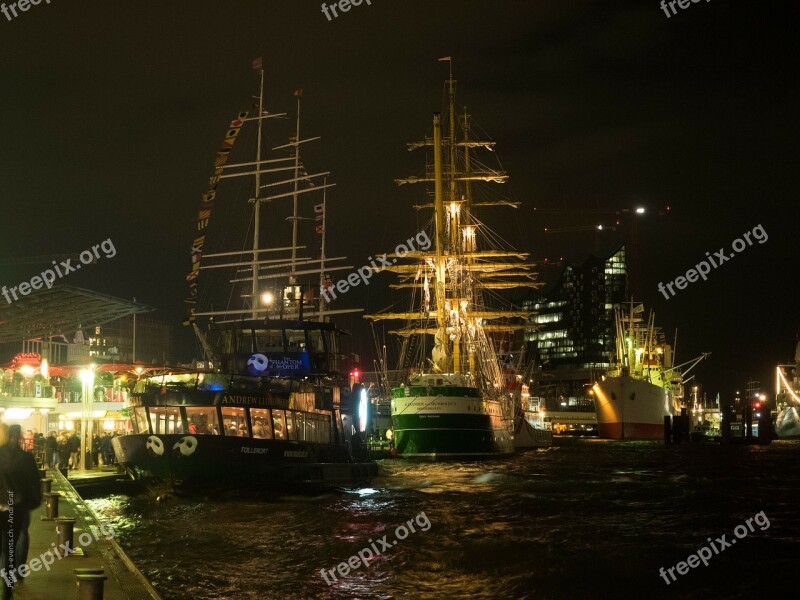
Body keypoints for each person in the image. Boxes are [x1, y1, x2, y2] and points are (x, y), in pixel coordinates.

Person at [0, 423, 43, 598]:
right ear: (19, 437)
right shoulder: (26, 458)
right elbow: (35, 482)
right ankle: (7, 588)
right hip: (17, 507)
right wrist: (31, 503)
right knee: (10, 547)